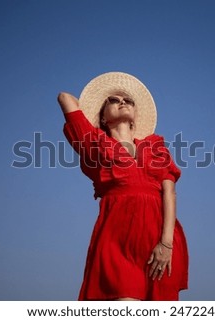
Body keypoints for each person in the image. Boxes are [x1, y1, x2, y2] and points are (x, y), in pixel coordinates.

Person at [57, 72, 188, 301]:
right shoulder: (94, 144)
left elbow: (169, 192)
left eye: (128, 100)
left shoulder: (155, 146)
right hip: (116, 241)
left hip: (160, 242)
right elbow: (65, 98)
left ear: (135, 115)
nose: (122, 102)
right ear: (103, 118)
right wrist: (94, 116)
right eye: (113, 100)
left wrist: (166, 244)